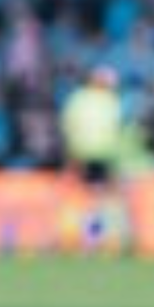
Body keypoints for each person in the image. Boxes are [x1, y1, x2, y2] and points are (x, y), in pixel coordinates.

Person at [59, 66, 132, 254]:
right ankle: (109, 238)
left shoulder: (77, 98)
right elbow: (117, 131)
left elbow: (67, 126)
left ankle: (92, 239)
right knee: (105, 199)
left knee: (89, 199)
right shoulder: (110, 101)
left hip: (81, 154)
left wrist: (71, 156)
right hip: (103, 155)